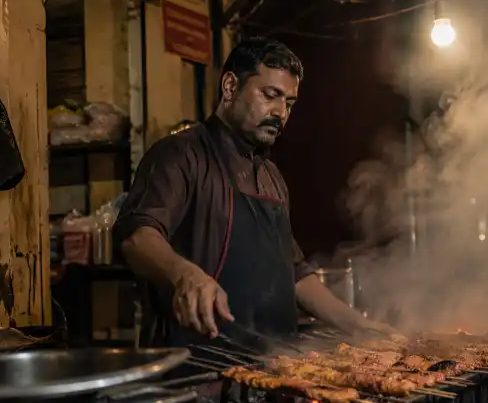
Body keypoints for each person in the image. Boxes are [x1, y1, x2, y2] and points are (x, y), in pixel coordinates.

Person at [113, 38, 397, 347]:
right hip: (196, 365)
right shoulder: (180, 155)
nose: (280, 112)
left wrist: (358, 325)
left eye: (289, 103)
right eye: (270, 95)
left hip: (272, 365)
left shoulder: (271, 176)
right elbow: (137, 238)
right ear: (230, 87)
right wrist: (184, 275)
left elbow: (293, 272)